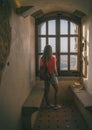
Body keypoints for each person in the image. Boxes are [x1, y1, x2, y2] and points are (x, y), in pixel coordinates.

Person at [40, 45, 62, 110]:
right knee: (57, 90)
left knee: (47, 91)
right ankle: (56, 105)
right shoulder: (53, 58)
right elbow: (54, 68)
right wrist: (57, 74)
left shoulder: (42, 58)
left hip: (45, 76)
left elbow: (41, 68)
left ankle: (48, 104)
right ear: (51, 51)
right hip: (52, 75)